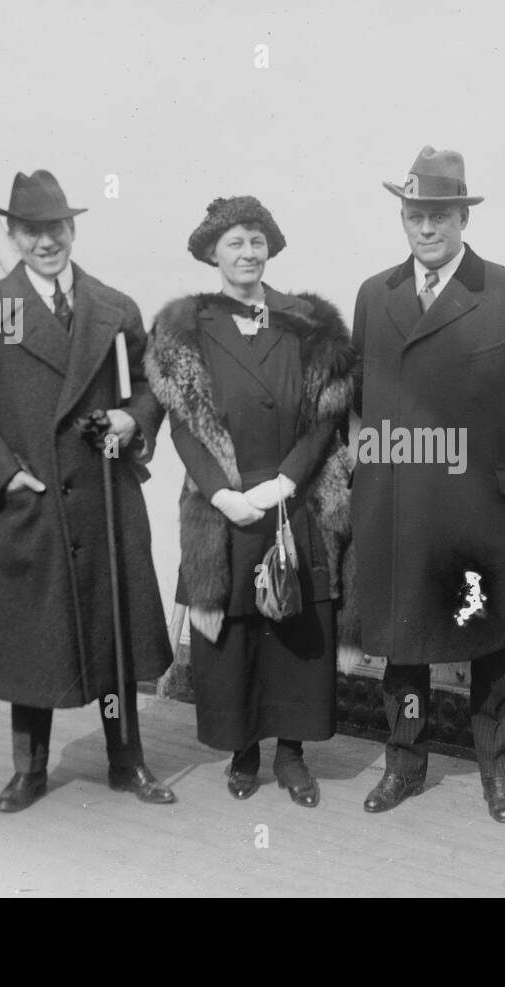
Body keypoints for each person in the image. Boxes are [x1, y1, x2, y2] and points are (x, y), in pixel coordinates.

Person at [0, 169, 175, 812]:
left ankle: (128, 762)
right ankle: (29, 770)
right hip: (33, 503)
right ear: (13, 235)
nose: (47, 242)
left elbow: (148, 386)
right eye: (32, 230)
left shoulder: (114, 307)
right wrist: (4, 476)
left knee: (114, 637)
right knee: (34, 643)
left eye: (57, 228)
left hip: (102, 502)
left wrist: (134, 418)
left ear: (73, 229)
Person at [351, 147, 505, 823]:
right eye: (415, 214)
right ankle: (404, 765)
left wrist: (478, 458)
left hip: (478, 503)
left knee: (488, 640)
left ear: (462, 217)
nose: (427, 227)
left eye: (440, 214)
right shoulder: (374, 296)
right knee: (403, 641)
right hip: (401, 500)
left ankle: (498, 773)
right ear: (403, 217)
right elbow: (364, 392)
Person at [146, 196, 355, 807]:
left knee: (295, 624)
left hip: (296, 499)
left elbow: (327, 416)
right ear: (212, 253)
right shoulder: (185, 329)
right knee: (235, 630)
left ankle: (291, 755)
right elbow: (183, 422)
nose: (247, 252)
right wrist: (221, 493)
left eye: (257, 240)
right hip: (224, 507)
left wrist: (286, 482)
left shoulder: (310, 323)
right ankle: (243, 751)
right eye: (234, 242)